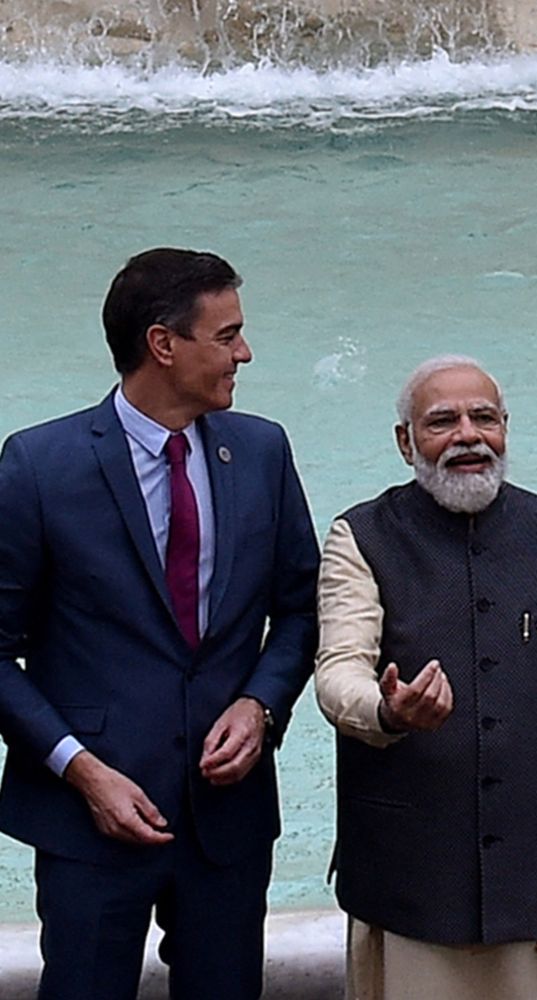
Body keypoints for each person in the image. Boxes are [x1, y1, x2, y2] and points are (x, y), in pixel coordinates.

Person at [0, 248, 319, 999]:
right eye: (228, 334)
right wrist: (78, 767)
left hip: (228, 823)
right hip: (89, 822)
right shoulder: (39, 466)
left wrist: (261, 703)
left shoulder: (264, 451)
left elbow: (303, 607)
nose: (245, 352)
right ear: (163, 344)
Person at [314, 355, 537, 1000]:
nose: (468, 435)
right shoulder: (360, 537)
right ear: (405, 442)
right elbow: (338, 673)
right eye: (442, 421)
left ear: (505, 429)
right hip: (409, 897)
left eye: (483, 418)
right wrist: (388, 713)